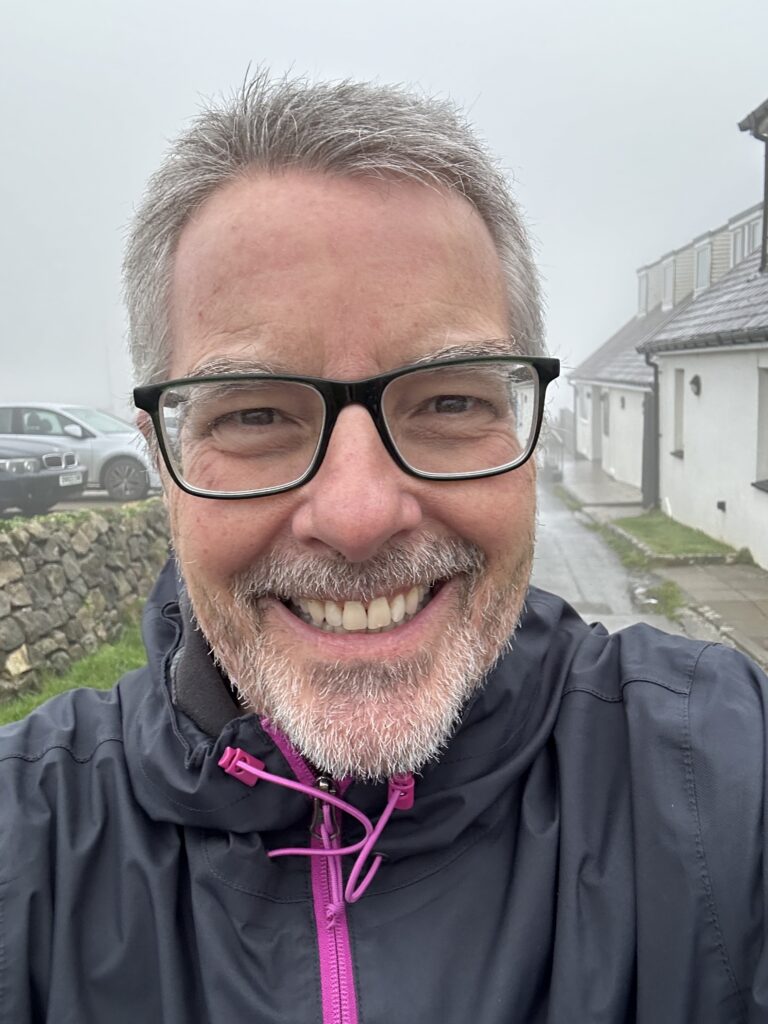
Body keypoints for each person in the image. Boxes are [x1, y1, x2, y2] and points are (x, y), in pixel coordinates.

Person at [1, 72, 766, 1024]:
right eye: (255, 415)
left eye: (450, 400)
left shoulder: (726, 781)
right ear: (161, 459)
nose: (359, 515)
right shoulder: (24, 846)